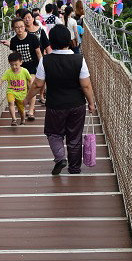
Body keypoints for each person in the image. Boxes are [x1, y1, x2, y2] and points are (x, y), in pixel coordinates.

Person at [25, 24, 96, 175]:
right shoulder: (79, 59)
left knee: (53, 133)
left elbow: (37, 84)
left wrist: (26, 99)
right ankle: (75, 168)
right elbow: (86, 85)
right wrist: (91, 103)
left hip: (55, 105)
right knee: (74, 137)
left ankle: (60, 158)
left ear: (51, 42)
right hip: (77, 104)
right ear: (69, 40)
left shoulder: (46, 61)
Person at [9, 17, 41, 120]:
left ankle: (31, 110)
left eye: (21, 26)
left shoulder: (32, 38)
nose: (19, 29)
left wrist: (41, 67)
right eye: (17, 27)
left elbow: (38, 53)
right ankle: (22, 106)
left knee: (31, 85)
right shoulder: (13, 41)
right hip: (20, 69)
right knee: (21, 88)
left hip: (32, 67)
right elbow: (14, 56)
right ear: (13, 28)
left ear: (25, 27)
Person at [0, 51, 31, 126]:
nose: (14, 67)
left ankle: (23, 120)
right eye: (12, 65)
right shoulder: (8, 72)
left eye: (16, 65)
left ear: (21, 62)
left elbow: (30, 80)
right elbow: (2, 80)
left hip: (22, 94)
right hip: (11, 91)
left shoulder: (24, 71)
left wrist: (30, 90)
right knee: (11, 103)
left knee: (21, 110)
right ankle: (14, 119)